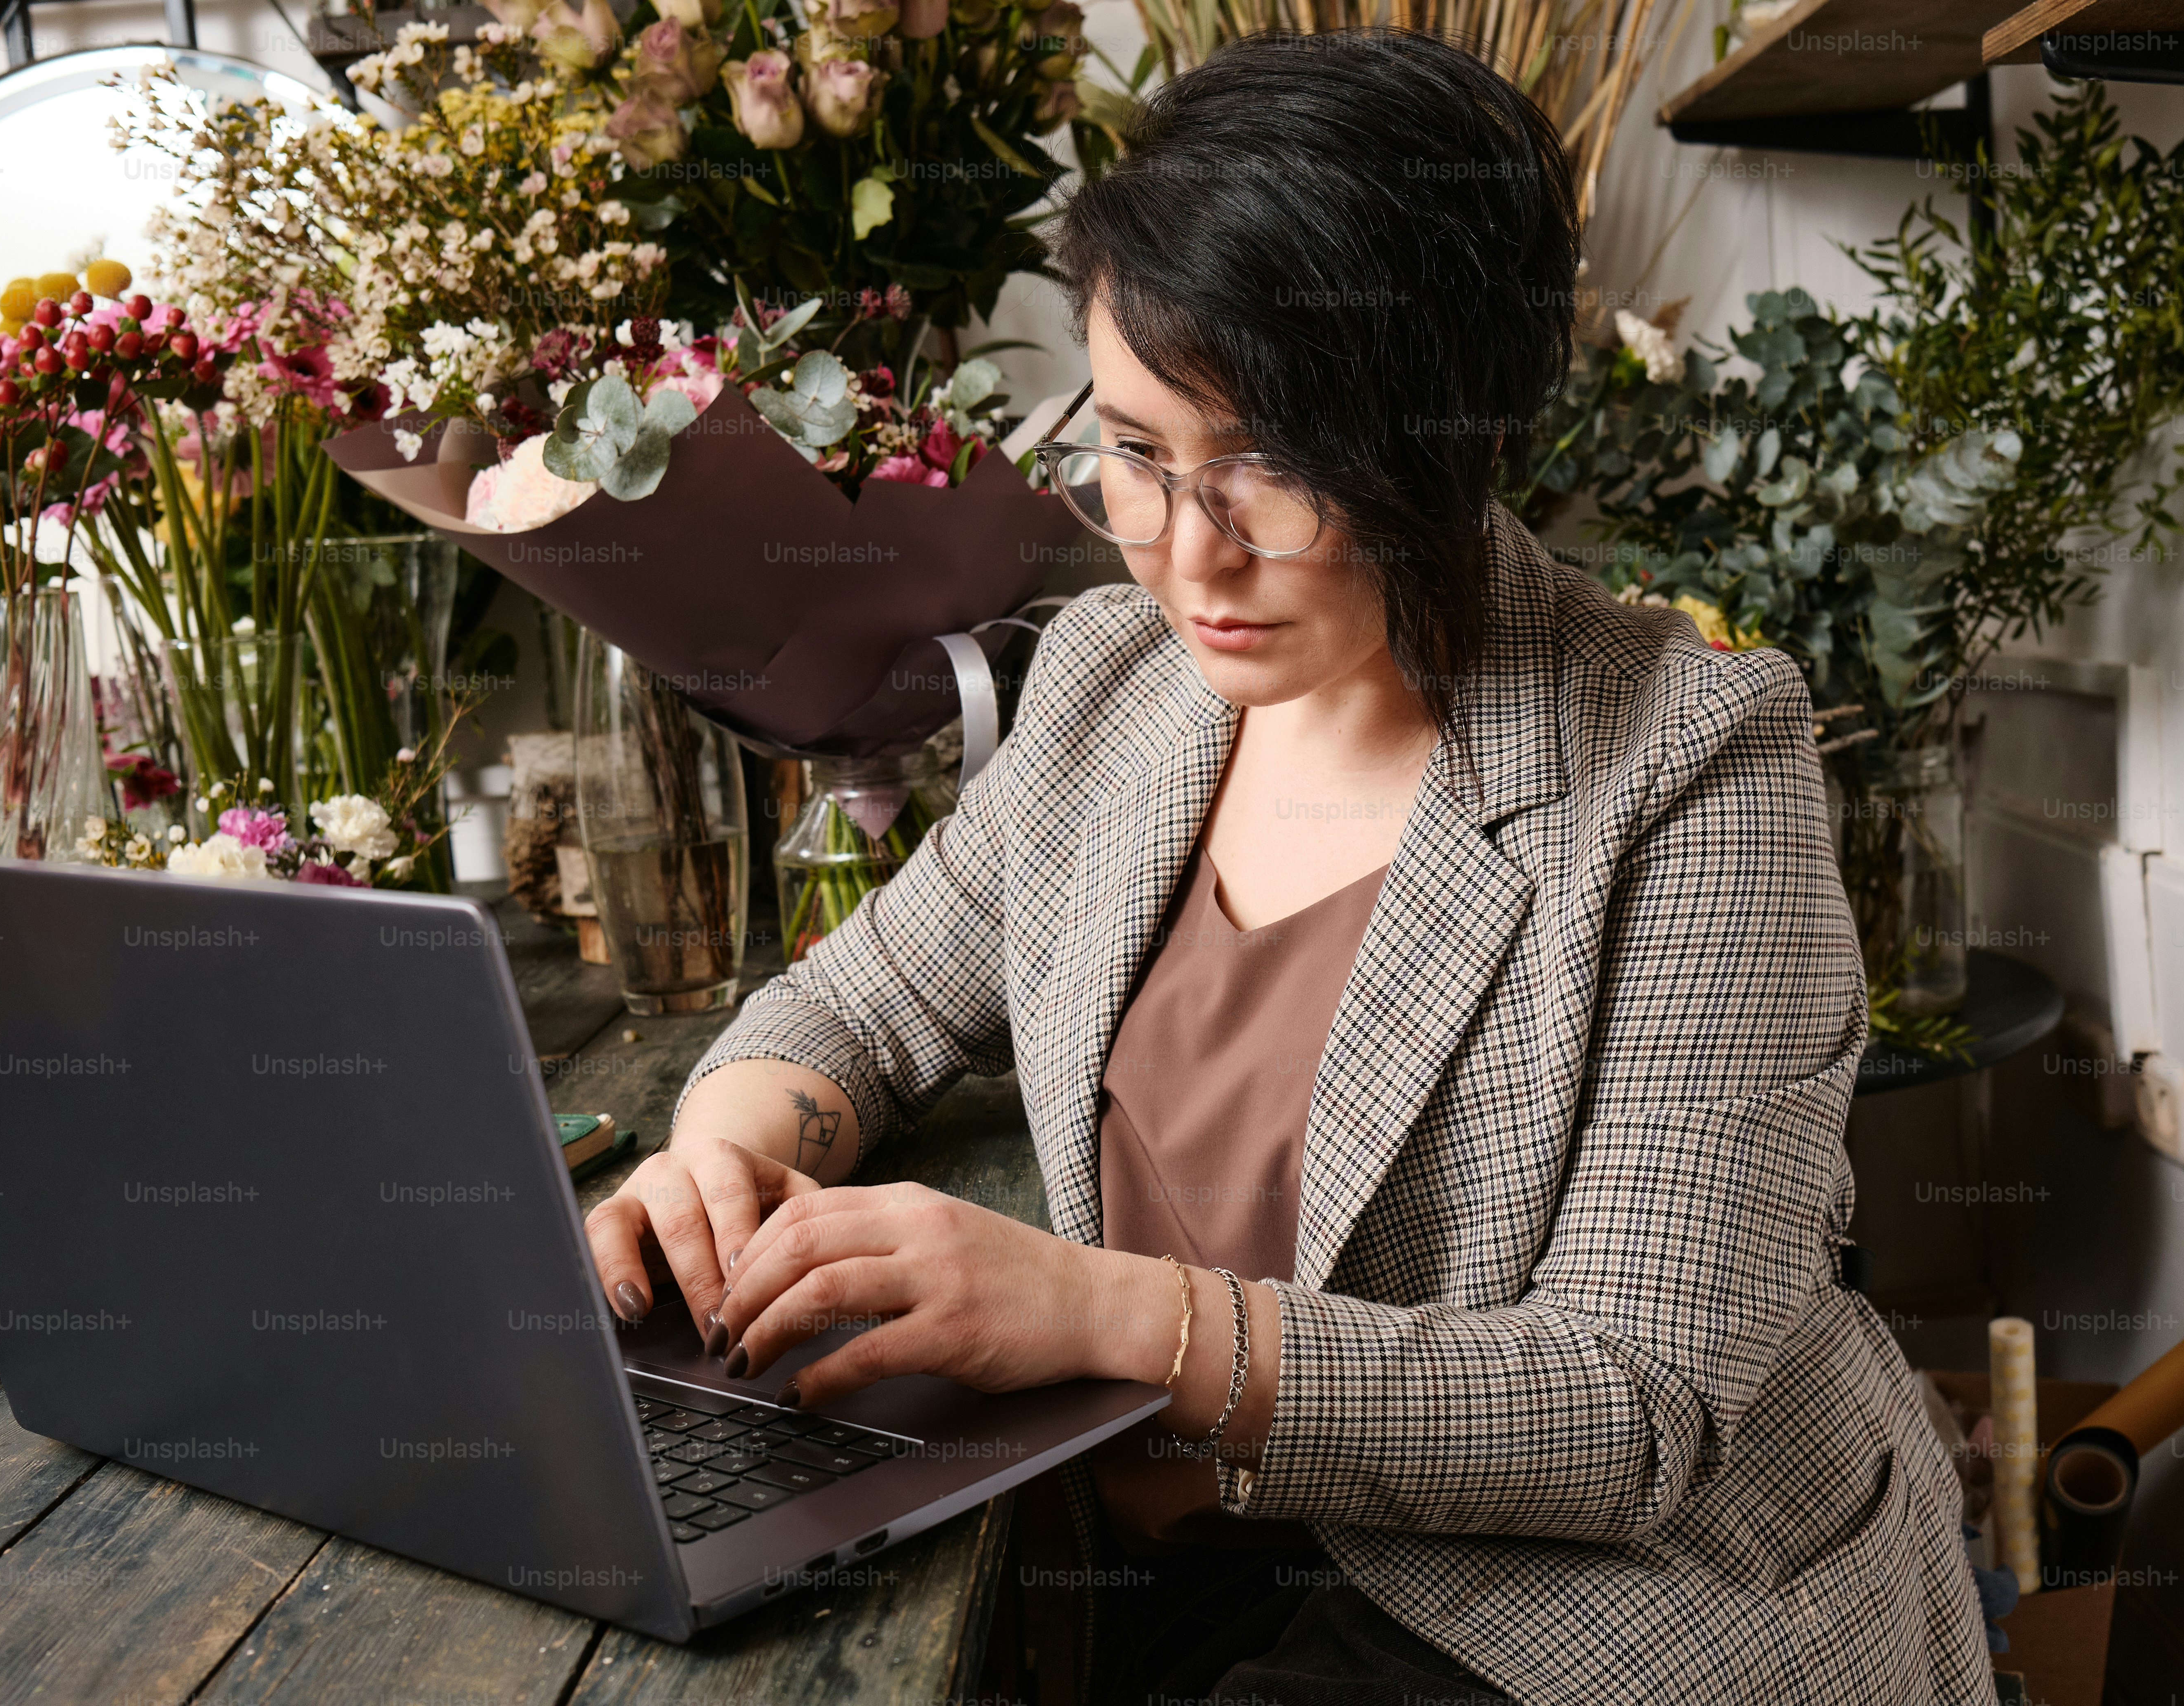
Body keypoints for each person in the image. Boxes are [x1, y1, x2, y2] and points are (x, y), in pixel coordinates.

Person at [584, 27, 1993, 1706]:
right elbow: (862, 1009)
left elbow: (1632, 1408)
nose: (1190, 551)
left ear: (1449, 435)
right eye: (1137, 453)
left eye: (1274, 468)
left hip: (1586, 1603)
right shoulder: (1116, 684)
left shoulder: (1688, 760)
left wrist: (1097, 1310)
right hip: (1179, 1556)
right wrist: (720, 1156)